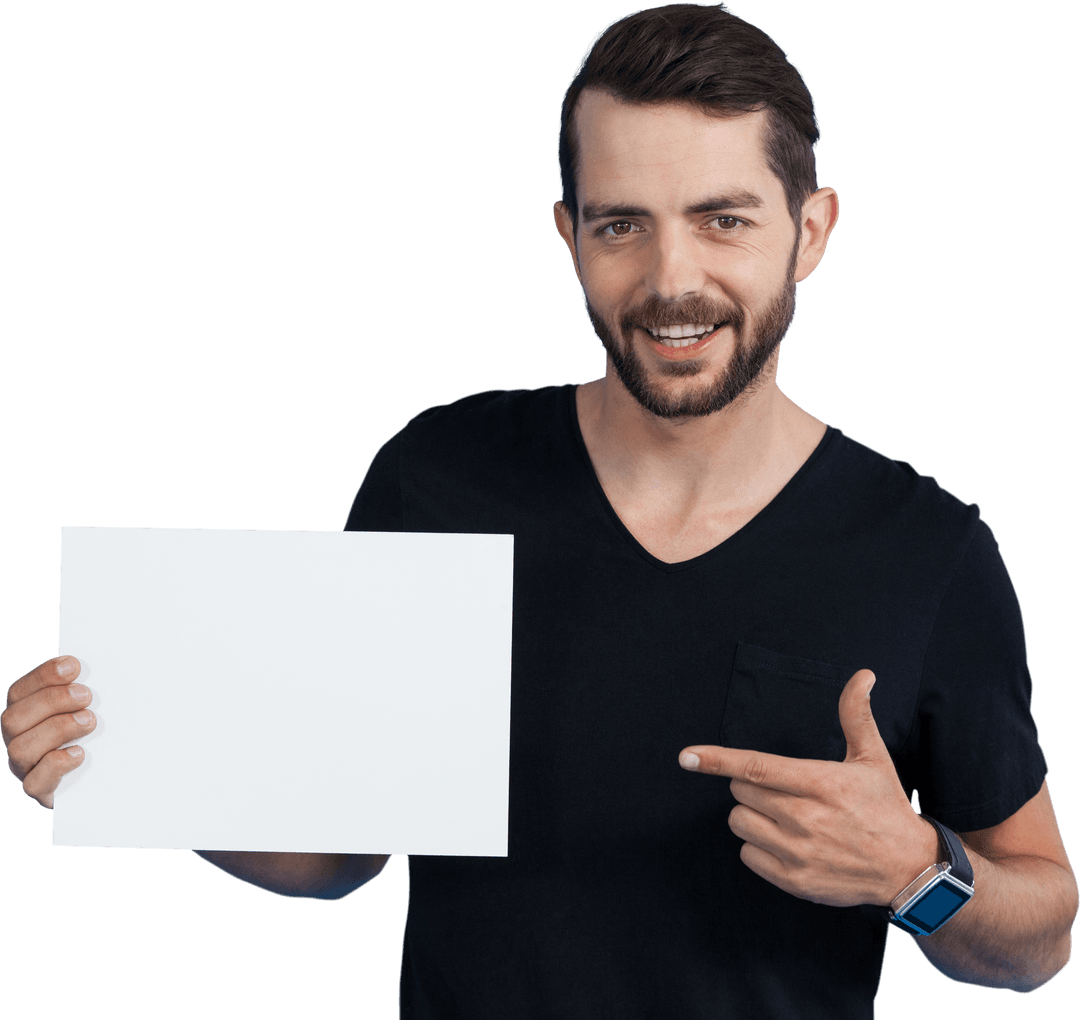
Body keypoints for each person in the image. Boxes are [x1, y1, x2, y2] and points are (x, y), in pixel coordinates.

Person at [4, 4, 1076, 1017]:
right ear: (570, 236)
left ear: (812, 230)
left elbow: (1043, 939)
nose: (672, 278)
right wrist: (133, 768)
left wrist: (915, 872)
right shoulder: (438, 479)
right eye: (622, 224)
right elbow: (339, 852)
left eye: (723, 220)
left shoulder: (930, 553)